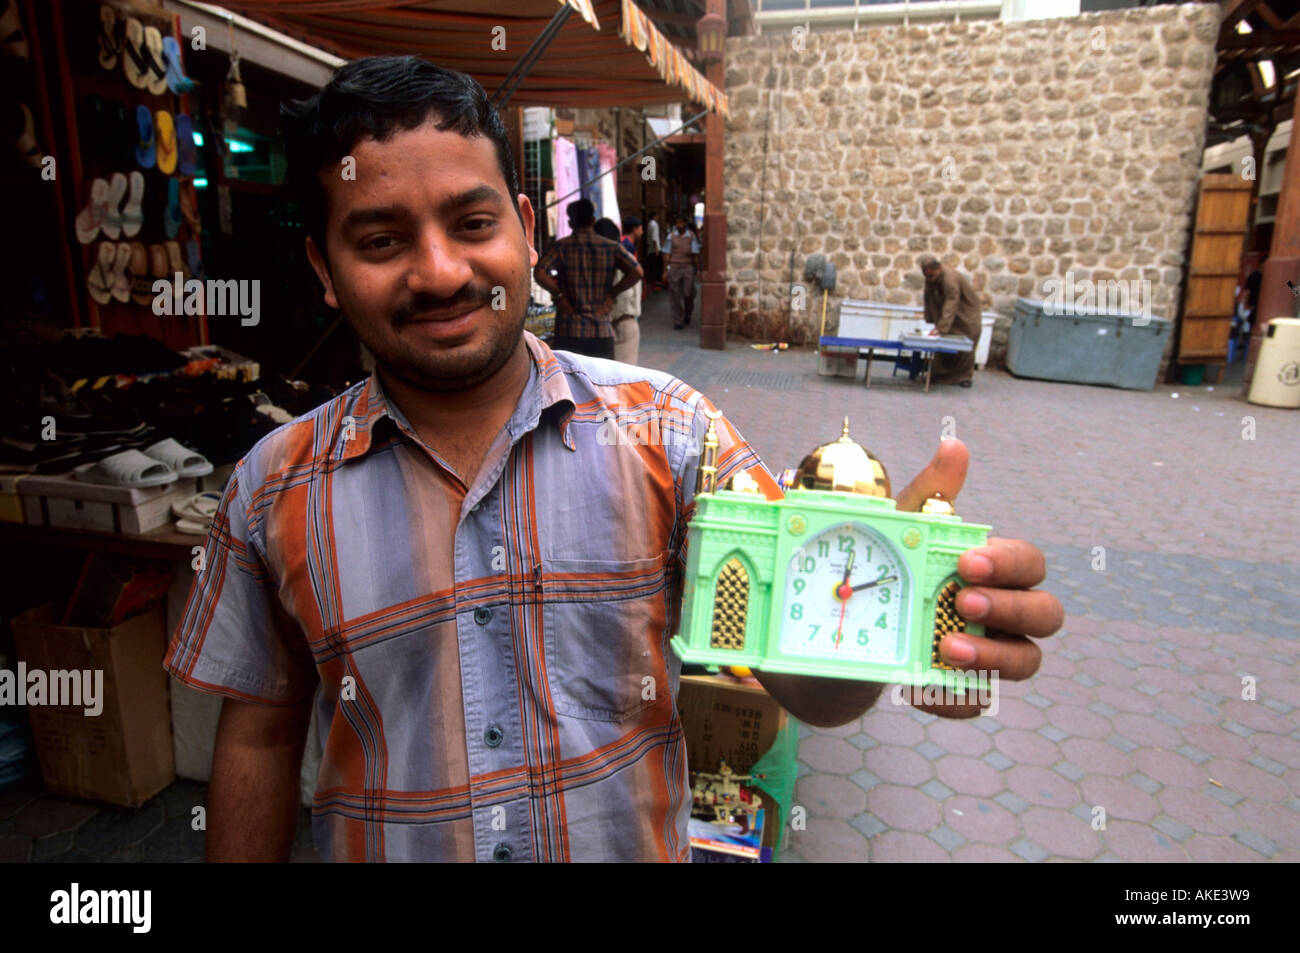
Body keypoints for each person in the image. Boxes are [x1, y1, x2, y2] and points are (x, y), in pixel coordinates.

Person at [165, 55, 1062, 863]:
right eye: (382, 240)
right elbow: (260, 734)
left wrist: (889, 622)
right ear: (324, 268)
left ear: (523, 228)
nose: (440, 271)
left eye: (472, 222)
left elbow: (811, 688)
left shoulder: (675, 435)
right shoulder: (270, 490)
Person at [532, 198, 642, 358]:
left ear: (571, 223)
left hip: (568, 330)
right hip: (601, 331)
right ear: (592, 220)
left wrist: (559, 295)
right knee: (600, 382)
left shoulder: (561, 247)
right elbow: (637, 272)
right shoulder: (611, 247)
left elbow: (539, 272)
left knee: (568, 382)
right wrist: (611, 294)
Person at [918, 254, 982, 387]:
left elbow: (951, 303)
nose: (929, 279)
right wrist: (930, 319)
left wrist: (941, 328)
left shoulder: (950, 280)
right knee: (942, 346)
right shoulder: (931, 278)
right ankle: (938, 375)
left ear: (938, 269)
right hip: (952, 317)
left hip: (967, 317)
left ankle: (964, 377)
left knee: (965, 349)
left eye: (931, 276)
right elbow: (928, 297)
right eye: (927, 277)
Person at [663, 215, 699, 330]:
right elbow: (666, 253)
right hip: (674, 266)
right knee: (675, 294)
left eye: (681, 223)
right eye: (677, 223)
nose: (679, 225)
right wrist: (665, 270)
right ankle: (678, 320)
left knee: (688, 293)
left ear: (685, 224)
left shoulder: (691, 236)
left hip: (688, 267)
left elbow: (695, 254)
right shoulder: (671, 236)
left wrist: (698, 270)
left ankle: (687, 313)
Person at [645, 215, 663, 288]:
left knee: (651, 265)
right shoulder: (655, 224)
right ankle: (656, 281)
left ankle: (651, 281)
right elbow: (655, 238)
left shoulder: (649, 224)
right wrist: (656, 250)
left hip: (650, 249)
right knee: (656, 266)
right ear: (655, 216)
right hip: (655, 249)